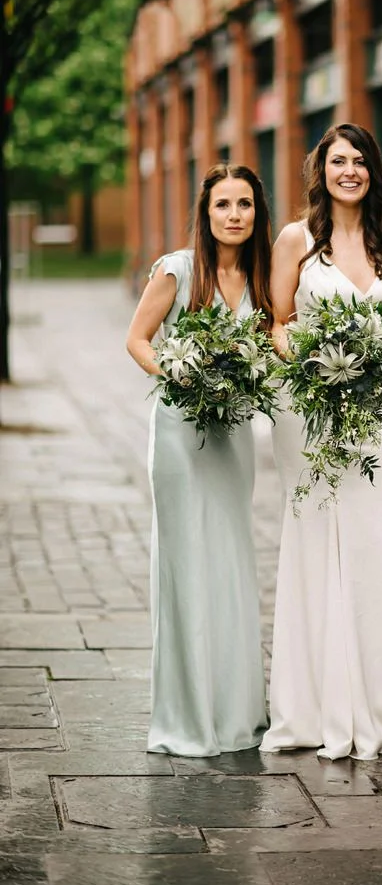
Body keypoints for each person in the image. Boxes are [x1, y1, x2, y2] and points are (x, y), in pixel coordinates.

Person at [261, 123, 382, 760]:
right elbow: (280, 323)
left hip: (377, 410)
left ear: (375, 171)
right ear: (320, 170)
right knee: (320, 544)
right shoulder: (296, 238)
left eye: (360, 162)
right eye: (337, 161)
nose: (349, 171)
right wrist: (311, 366)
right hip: (313, 410)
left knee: (380, 542)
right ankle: (316, 707)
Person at [126, 163, 274, 756]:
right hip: (182, 433)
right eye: (223, 205)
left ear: (257, 213)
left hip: (232, 435)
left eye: (244, 204)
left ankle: (236, 709)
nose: (234, 215)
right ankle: (188, 716)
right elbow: (137, 339)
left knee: (232, 557)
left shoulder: (264, 280)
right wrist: (181, 372)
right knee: (188, 562)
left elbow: (269, 345)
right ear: (205, 213)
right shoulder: (178, 270)